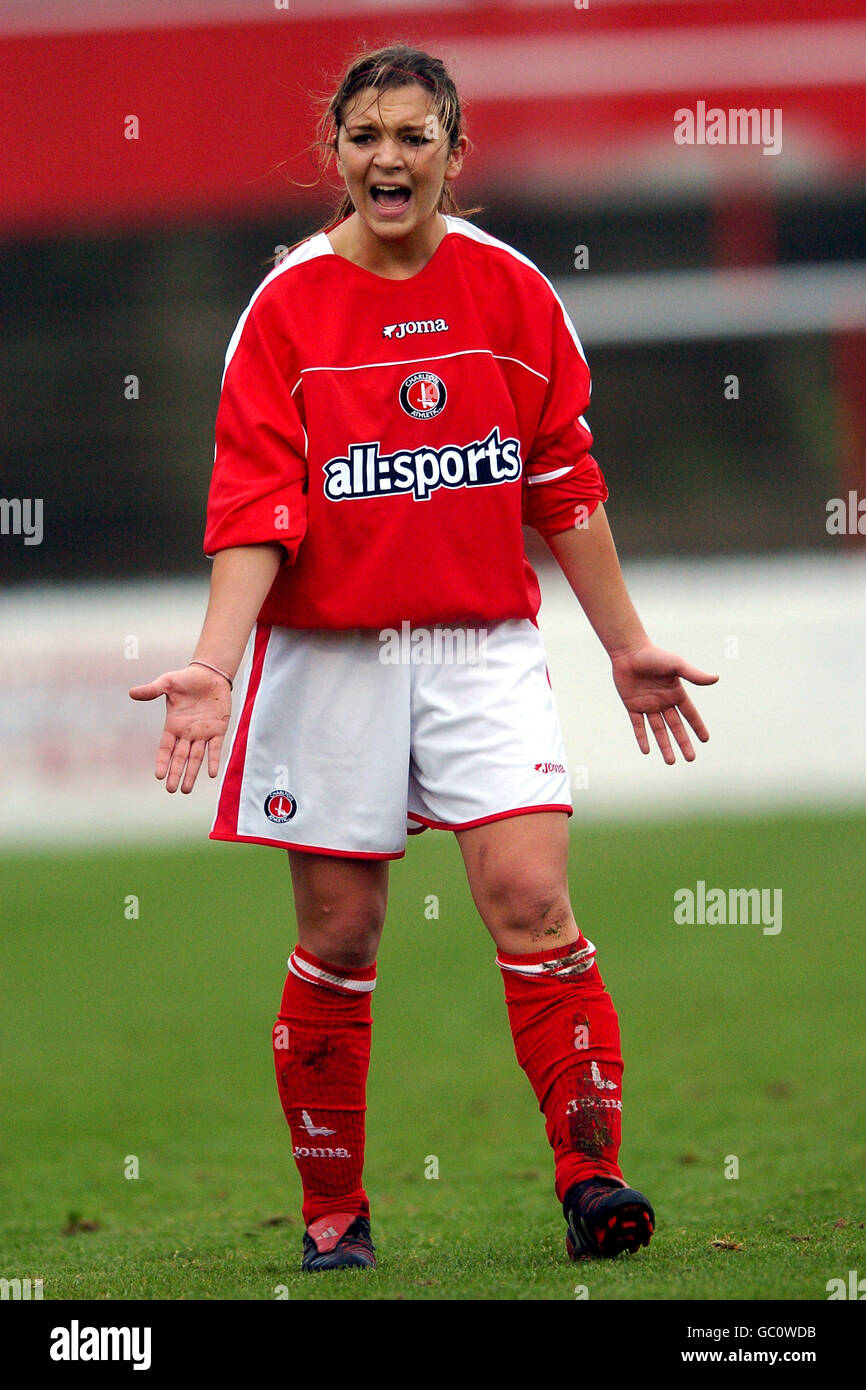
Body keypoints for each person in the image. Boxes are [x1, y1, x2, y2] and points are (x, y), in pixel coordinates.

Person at [130, 43, 718, 1273]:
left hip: (478, 649)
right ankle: (335, 1213)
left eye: (411, 136)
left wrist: (623, 647)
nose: (385, 158)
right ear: (332, 153)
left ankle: (591, 1177)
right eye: (363, 137)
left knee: (530, 898)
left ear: (456, 152)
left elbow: (564, 481)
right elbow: (255, 509)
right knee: (341, 934)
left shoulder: (511, 293)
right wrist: (211, 665)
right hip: (328, 659)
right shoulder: (284, 307)